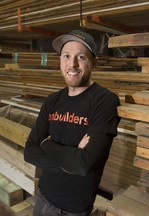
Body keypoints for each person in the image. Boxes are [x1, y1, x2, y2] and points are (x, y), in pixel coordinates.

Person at [24, 29, 121, 216]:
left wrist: (47, 144)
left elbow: (83, 166)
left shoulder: (104, 101)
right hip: (43, 196)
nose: (72, 64)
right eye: (66, 56)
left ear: (94, 62)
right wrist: (72, 158)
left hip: (71, 209)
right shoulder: (52, 101)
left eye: (81, 57)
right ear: (60, 60)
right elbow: (29, 152)